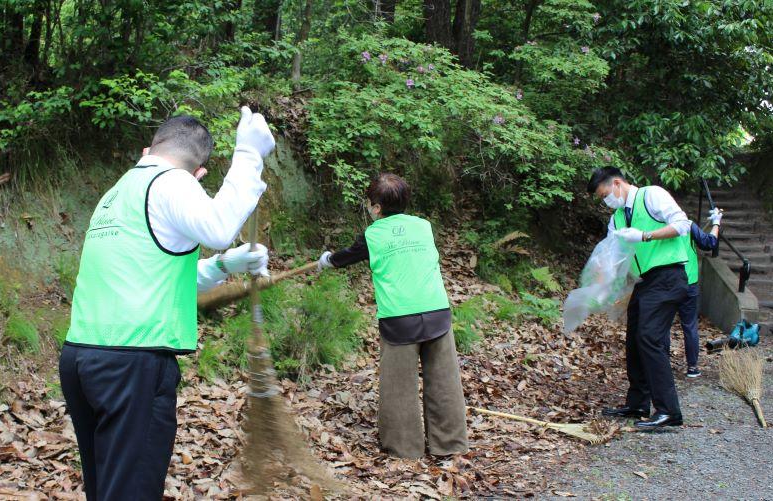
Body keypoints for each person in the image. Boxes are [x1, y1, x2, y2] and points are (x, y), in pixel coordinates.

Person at [59, 107, 276, 500]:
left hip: (82, 359)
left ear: (148, 149)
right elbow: (218, 227)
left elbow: (158, 272)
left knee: (107, 489)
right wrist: (249, 154)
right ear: (198, 174)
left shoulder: (118, 192)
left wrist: (225, 265)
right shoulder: (171, 182)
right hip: (132, 363)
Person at [316, 173, 468, 458]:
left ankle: (404, 449)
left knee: (399, 386)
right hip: (437, 311)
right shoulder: (424, 227)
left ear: (376, 208)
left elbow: (345, 257)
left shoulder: (373, 235)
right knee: (444, 380)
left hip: (400, 319)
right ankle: (450, 445)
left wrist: (327, 260)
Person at [587, 167, 691, 430]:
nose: (606, 201)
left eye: (605, 194)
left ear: (618, 183)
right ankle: (637, 404)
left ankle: (669, 411)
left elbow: (682, 225)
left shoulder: (651, 195)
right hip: (646, 281)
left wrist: (645, 235)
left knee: (649, 337)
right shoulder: (618, 218)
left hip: (670, 275)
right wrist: (602, 283)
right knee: (634, 337)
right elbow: (612, 254)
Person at [680, 209, 722, 378]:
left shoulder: (657, 227)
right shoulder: (687, 224)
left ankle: (662, 365)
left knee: (664, 325)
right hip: (688, 282)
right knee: (689, 325)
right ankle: (692, 367)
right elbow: (709, 242)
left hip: (666, 283)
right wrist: (716, 223)